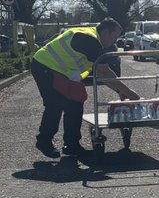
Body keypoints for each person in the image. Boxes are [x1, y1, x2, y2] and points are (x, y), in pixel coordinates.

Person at [31, 18, 140, 159]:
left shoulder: (93, 40)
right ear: (106, 32)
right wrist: (129, 93)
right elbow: (104, 72)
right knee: (55, 104)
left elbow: (101, 74)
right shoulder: (91, 41)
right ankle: (44, 141)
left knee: (76, 101)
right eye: (114, 36)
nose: (115, 41)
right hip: (44, 66)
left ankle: (71, 145)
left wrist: (120, 91)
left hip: (60, 71)